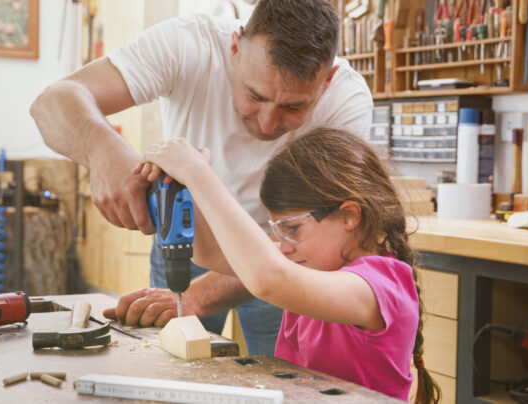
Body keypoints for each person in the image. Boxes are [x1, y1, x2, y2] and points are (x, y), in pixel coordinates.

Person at [30, 0, 373, 356]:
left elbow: (310, 252)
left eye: (294, 107)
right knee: (172, 369)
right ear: (235, 48)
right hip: (184, 239)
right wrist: (103, 152)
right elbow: (52, 102)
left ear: (327, 80)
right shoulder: (189, 44)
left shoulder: (347, 102)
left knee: (282, 378)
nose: (268, 123)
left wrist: (199, 296)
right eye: (255, 95)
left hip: (287, 255)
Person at [134, 127, 440, 403]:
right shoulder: (315, 263)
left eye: (292, 228)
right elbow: (210, 252)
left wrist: (199, 174)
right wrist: (186, 182)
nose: (283, 244)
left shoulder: (379, 286)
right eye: (276, 230)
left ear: (349, 216)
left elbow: (268, 278)